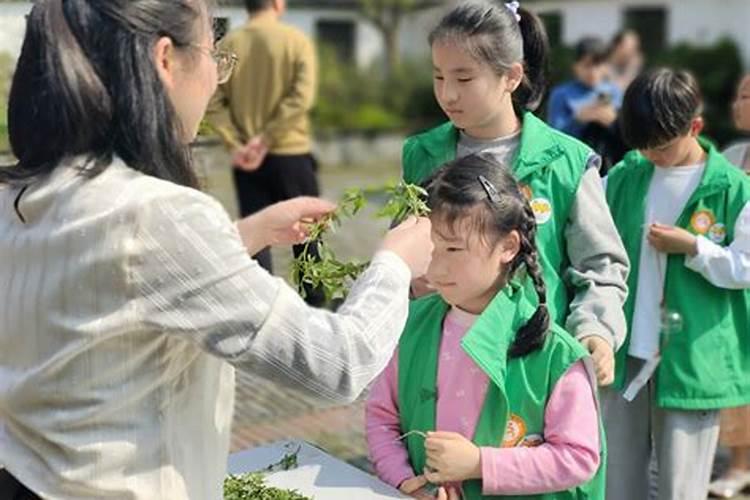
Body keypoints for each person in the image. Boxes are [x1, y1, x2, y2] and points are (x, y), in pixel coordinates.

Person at [0, 0, 434, 498]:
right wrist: (396, 263)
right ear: (165, 60)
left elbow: (115, 286)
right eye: (213, 54)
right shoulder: (158, 215)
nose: (214, 80)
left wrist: (242, 235)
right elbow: (338, 364)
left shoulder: (20, 195)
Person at [402, 1, 629, 388]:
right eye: (439, 77)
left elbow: (600, 266)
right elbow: (404, 249)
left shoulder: (566, 162)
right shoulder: (421, 154)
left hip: (533, 369)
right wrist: (407, 281)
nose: (448, 95)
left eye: (464, 78)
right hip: (440, 365)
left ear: (511, 76)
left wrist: (596, 328)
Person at [367, 154, 603, 500]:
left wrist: (480, 463)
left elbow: (579, 457)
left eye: (453, 249)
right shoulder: (411, 322)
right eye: (430, 248)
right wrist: (406, 483)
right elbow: (381, 417)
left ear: (508, 246)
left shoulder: (556, 353)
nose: (436, 266)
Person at [603, 68, 750, 500]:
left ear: (696, 127)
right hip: (627, 349)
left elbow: (745, 267)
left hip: (692, 358)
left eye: (662, 147)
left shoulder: (733, 189)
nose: (652, 156)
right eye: (643, 146)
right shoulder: (628, 174)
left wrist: (695, 248)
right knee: (617, 480)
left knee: (679, 488)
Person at [205, 0, 325, 304]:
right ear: (277, 2)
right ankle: (315, 304)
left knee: (256, 236)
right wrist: (268, 138)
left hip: (245, 158)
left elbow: (214, 101)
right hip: (291, 153)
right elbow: (301, 98)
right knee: (308, 235)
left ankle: (263, 307)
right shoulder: (297, 41)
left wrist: (237, 142)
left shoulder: (230, 43)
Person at [708, 73, 750, 499]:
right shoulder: (734, 156)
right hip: (735, 286)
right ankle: (739, 464)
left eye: (746, 96)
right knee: (739, 376)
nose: (737, 104)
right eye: (738, 94)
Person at [548, 36, 627, 172]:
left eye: (598, 65)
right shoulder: (562, 94)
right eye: (587, 65)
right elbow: (554, 137)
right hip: (575, 165)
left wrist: (613, 122)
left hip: (610, 164)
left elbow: (627, 135)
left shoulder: (614, 92)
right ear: (575, 66)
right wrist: (579, 119)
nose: (593, 72)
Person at [607, 29, 643, 94]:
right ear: (617, 46)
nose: (634, 52)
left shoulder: (632, 65)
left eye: (636, 48)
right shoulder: (602, 66)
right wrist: (632, 68)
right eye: (631, 48)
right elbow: (619, 88)